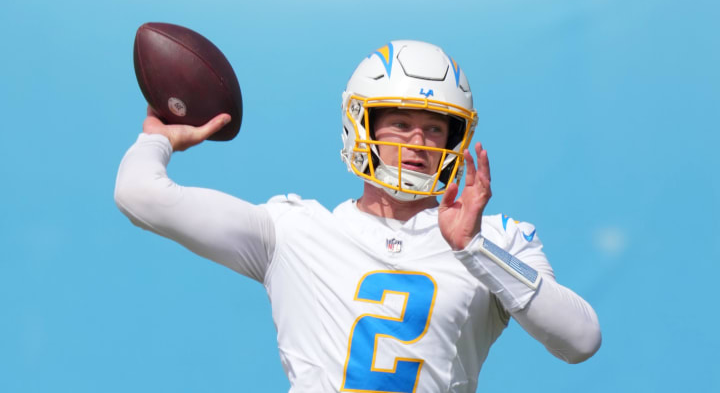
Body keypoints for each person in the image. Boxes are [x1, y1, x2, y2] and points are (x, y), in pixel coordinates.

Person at [115, 40, 601, 393]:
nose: (418, 142)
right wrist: (159, 137)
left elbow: (581, 340)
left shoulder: (495, 241)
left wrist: (473, 249)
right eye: (401, 123)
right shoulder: (293, 230)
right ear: (360, 125)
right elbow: (139, 195)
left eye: (436, 128)